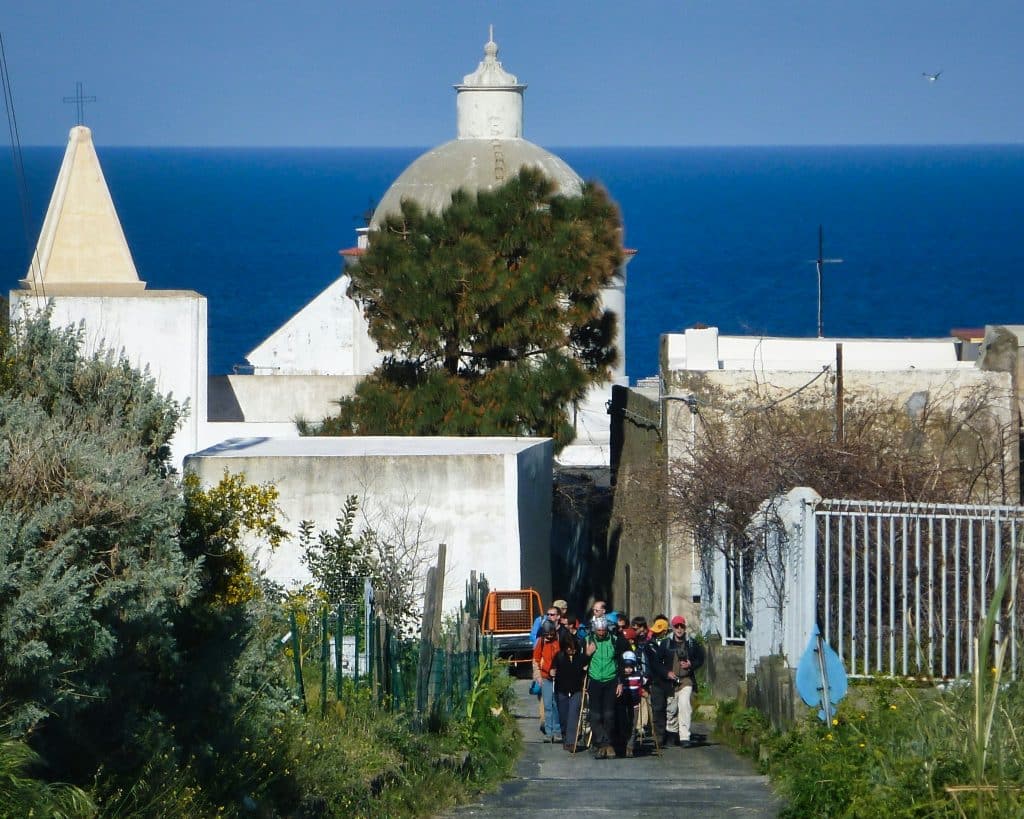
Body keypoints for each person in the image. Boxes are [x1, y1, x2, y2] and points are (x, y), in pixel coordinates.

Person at [661, 615, 705, 747]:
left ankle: (685, 736)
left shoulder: (692, 643)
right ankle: (672, 733)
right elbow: (657, 661)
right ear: (672, 628)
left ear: (685, 628)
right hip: (670, 682)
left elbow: (701, 658)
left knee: (685, 706)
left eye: (682, 626)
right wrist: (666, 672)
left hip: (686, 680)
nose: (679, 629)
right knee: (671, 709)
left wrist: (691, 664)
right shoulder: (665, 643)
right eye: (676, 626)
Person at [585, 616, 624, 759]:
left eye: (603, 630)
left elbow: (620, 661)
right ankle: (601, 744)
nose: (601, 633)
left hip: (610, 680)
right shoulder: (588, 640)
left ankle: (608, 744)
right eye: (598, 630)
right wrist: (587, 653)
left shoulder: (614, 640)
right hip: (595, 680)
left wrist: (620, 682)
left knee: (609, 714)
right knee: (595, 715)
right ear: (595, 630)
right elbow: (581, 661)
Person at [632, 615, 674, 747]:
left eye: (659, 631)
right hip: (655, 679)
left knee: (671, 709)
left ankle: (672, 735)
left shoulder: (671, 643)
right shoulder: (650, 644)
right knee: (657, 708)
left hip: (671, 680)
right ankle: (659, 737)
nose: (655, 633)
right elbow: (652, 663)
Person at [551, 631, 588, 752]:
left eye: (573, 648)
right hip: (561, 690)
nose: (572, 651)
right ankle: (565, 737)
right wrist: (552, 671)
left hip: (576, 689)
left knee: (573, 714)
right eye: (569, 649)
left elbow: (585, 669)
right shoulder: (559, 656)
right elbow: (552, 668)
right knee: (563, 716)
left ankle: (572, 741)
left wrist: (585, 668)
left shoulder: (580, 657)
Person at [533, 619, 563, 742]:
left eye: (551, 634)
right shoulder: (540, 642)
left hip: (558, 678)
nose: (550, 636)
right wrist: (538, 676)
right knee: (547, 705)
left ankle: (557, 731)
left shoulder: (559, 642)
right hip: (545, 678)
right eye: (547, 634)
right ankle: (548, 732)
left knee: (556, 704)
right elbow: (536, 660)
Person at [621, 650, 647, 757]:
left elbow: (645, 681)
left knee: (632, 726)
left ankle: (630, 747)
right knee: (624, 726)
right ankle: (623, 745)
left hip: (635, 706)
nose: (628, 669)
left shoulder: (638, 676)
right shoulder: (621, 677)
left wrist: (644, 690)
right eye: (626, 667)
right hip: (623, 706)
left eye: (630, 667)